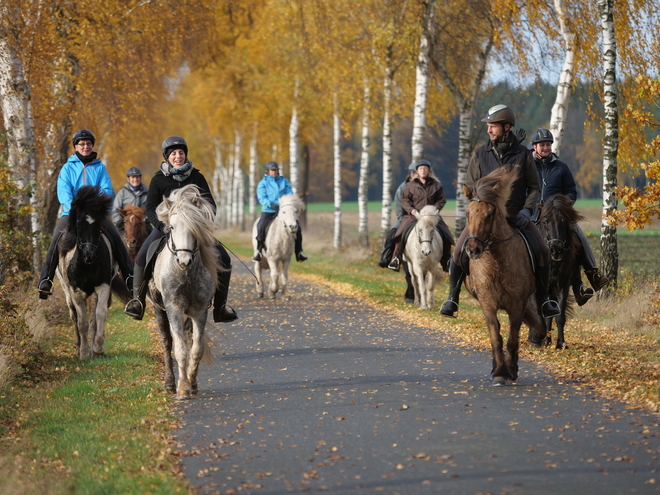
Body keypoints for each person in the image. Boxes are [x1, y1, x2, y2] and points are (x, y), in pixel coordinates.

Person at [439, 105, 561, 319]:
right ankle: (452, 297)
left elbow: (534, 188)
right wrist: (481, 199)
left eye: (492, 126)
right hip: (484, 218)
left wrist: (526, 210)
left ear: (506, 127)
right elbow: (469, 184)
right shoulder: (480, 154)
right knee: (458, 252)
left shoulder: (523, 155)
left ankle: (544, 301)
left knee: (542, 249)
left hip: (516, 216)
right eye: (488, 127)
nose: (488, 130)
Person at [124, 136, 237, 323]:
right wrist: (161, 226)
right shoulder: (158, 179)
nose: (178, 156)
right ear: (167, 157)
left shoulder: (197, 177)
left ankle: (221, 307)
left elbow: (211, 204)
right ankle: (138, 301)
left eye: (181, 153)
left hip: (194, 230)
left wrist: (201, 223)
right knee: (143, 255)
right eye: (174, 154)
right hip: (167, 227)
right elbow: (150, 207)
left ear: (186, 155)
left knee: (224, 258)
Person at [37, 129, 134, 299]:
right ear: (76, 146)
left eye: (88, 143)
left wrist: (96, 207)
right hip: (72, 214)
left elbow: (107, 191)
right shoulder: (67, 168)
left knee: (115, 237)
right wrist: (76, 208)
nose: (85, 146)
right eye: (81, 144)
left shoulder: (100, 168)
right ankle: (46, 280)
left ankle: (129, 277)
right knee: (56, 238)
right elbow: (64, 192)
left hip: (96, 214)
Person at [530, 128, 609, 305]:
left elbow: (571, 191)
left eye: (548, 144)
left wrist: (565, 204)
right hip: (533, 214)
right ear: (534, 147)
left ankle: (588, 278)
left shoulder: (561, 168)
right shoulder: (528, 166)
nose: (546, 148)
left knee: (578, 234)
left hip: (557, 215)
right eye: (542, 145)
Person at [387, 159, 454, 272]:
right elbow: (405, 200)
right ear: (417, 171)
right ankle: (396, 259)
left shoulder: (437, 185)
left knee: (446, 234)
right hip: (414, 216)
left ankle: (447, 261)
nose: (423, 170)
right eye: (421, 168)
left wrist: (435, 210)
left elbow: (441, 200)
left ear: (429, 171)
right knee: (400, 234)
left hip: (431, 216)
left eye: (425, 168)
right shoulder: (409, 186)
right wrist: (412, 211)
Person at [252, 161, 307, 263]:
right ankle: (258, 251)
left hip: (284, 210)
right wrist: (271, 204)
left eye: (276, 170)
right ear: (268, 171)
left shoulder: (284, 181)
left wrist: (285, 204)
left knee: (297, 228)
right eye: (273, 170)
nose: (275, 172)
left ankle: (299, 252)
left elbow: (290, 194)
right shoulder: (263, 183)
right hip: (269, 210)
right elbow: (262, 198)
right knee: (260, 227)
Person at [377, 162, 418, 268]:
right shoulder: (403, 187)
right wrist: (401, 218)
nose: (415, 174)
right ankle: (387, 258)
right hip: (406, 217)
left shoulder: (429, 186)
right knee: (392, 234)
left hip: (425, 217)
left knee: (444, 232)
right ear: (410, 173)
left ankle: (448, 260)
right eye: (413, 172)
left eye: (416, 172)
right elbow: (399, 206)